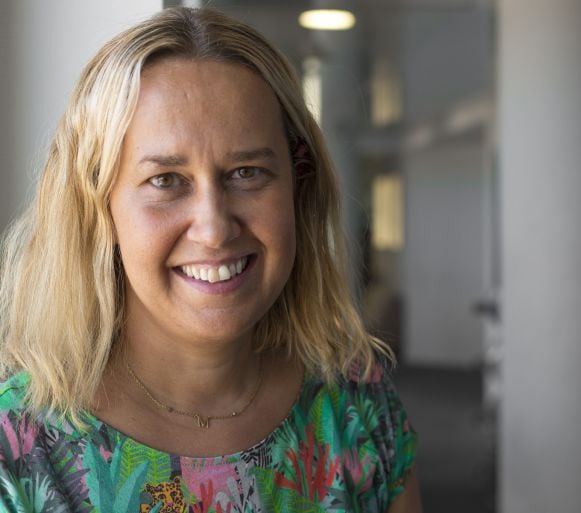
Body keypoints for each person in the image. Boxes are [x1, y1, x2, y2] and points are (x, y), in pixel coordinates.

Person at [0, 7, 420, 513]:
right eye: (165, 180)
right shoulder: (19, 449)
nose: (215, 227)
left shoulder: (357, 408)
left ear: (297, 187)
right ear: (100, 208)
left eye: (247, 172)